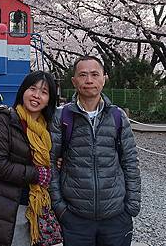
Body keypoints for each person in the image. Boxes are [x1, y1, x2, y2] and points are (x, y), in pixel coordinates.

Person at [48, 56, 141, 246]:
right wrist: (60, 207)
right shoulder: (62, 116)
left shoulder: (117, 116)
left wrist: (131, 206)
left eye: (94, 74)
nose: (89, 80)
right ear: (74, 81)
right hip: (75, 216)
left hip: (116, 215)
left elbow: (130, 161)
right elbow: (50, 162)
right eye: (82, 75)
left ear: (104, 78)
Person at [0, 70, 58, 246]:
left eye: (44, 92)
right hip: (3, 205)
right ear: (23, 91)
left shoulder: (49, 128)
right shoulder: (4, 120)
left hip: (35, 206)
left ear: (50, 99)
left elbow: (53, 161)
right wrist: (37, 174)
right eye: (33, 89)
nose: (37, 95)